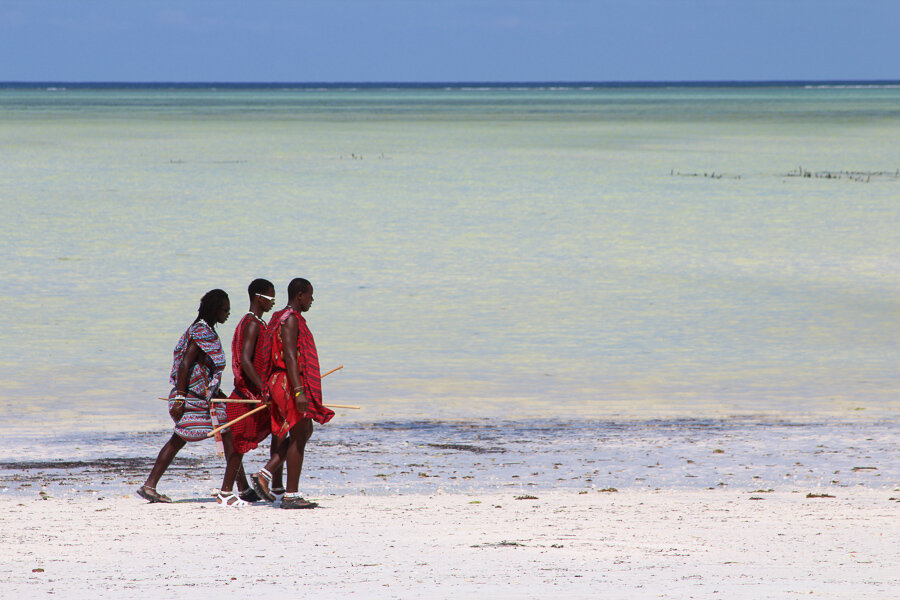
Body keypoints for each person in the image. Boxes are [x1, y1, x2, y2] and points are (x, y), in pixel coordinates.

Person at [137, 289, 244, 506]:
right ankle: (228, 491)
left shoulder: (205, 330)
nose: (228, 313)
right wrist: (180, 398)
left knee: (222, 434)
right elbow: (186, 363)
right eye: (225, 309)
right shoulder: (201, 331)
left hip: (201, 396)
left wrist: (218, 394)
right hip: (192, 397)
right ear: (214, 309)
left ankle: (242, 488)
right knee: (225, 434)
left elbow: (204, 367)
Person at [251, 278, 333, 509]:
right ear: (299, 295)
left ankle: (266, 474)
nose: (311, 300)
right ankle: (290, 494)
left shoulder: (279, 317)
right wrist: (299, 392)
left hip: (282, 381)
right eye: (310, 295)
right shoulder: (290, 320)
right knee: (298, 435)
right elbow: (289, 356)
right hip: (288, 383)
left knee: (305, 429)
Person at [222, 278, 279, 502]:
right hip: (248, 396)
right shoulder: (253, 323)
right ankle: (225, 493)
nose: (273, 302)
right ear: (258, 298)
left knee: (277, 432)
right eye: (270, 298)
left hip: (254, 394)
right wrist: (264, 387)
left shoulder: (253, 322)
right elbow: (246, 360)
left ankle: (272, 486)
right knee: (239, 445)